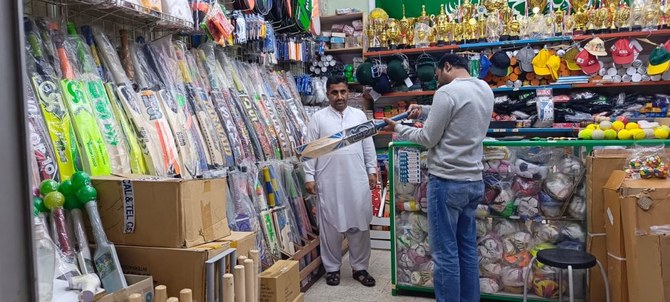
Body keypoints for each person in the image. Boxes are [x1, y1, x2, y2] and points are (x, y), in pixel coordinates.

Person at [383, 54, 494, 302]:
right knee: (466, 249)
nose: (437, 80)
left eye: (437, 74)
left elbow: (427, 139)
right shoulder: (484, 88)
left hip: (447, 181)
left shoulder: (445, 93)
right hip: (473, 181)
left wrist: (398, 128)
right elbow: (459, 114)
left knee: (445, 254)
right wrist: (423, 111)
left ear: (447, 66)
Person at [303, 76, 378, 287]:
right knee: (330, 227)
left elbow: (368, 145)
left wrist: (371, 171)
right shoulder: (318, 118)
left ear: (348, 92)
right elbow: (310, 150)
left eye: (343, 92)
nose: (339, 97)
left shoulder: (359, 116)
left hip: (357, 179)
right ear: (327, 94)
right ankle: (332, 269)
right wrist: (309, 176)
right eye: (334, 92)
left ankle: (360, 268)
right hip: (328, 180)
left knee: (359, 224)